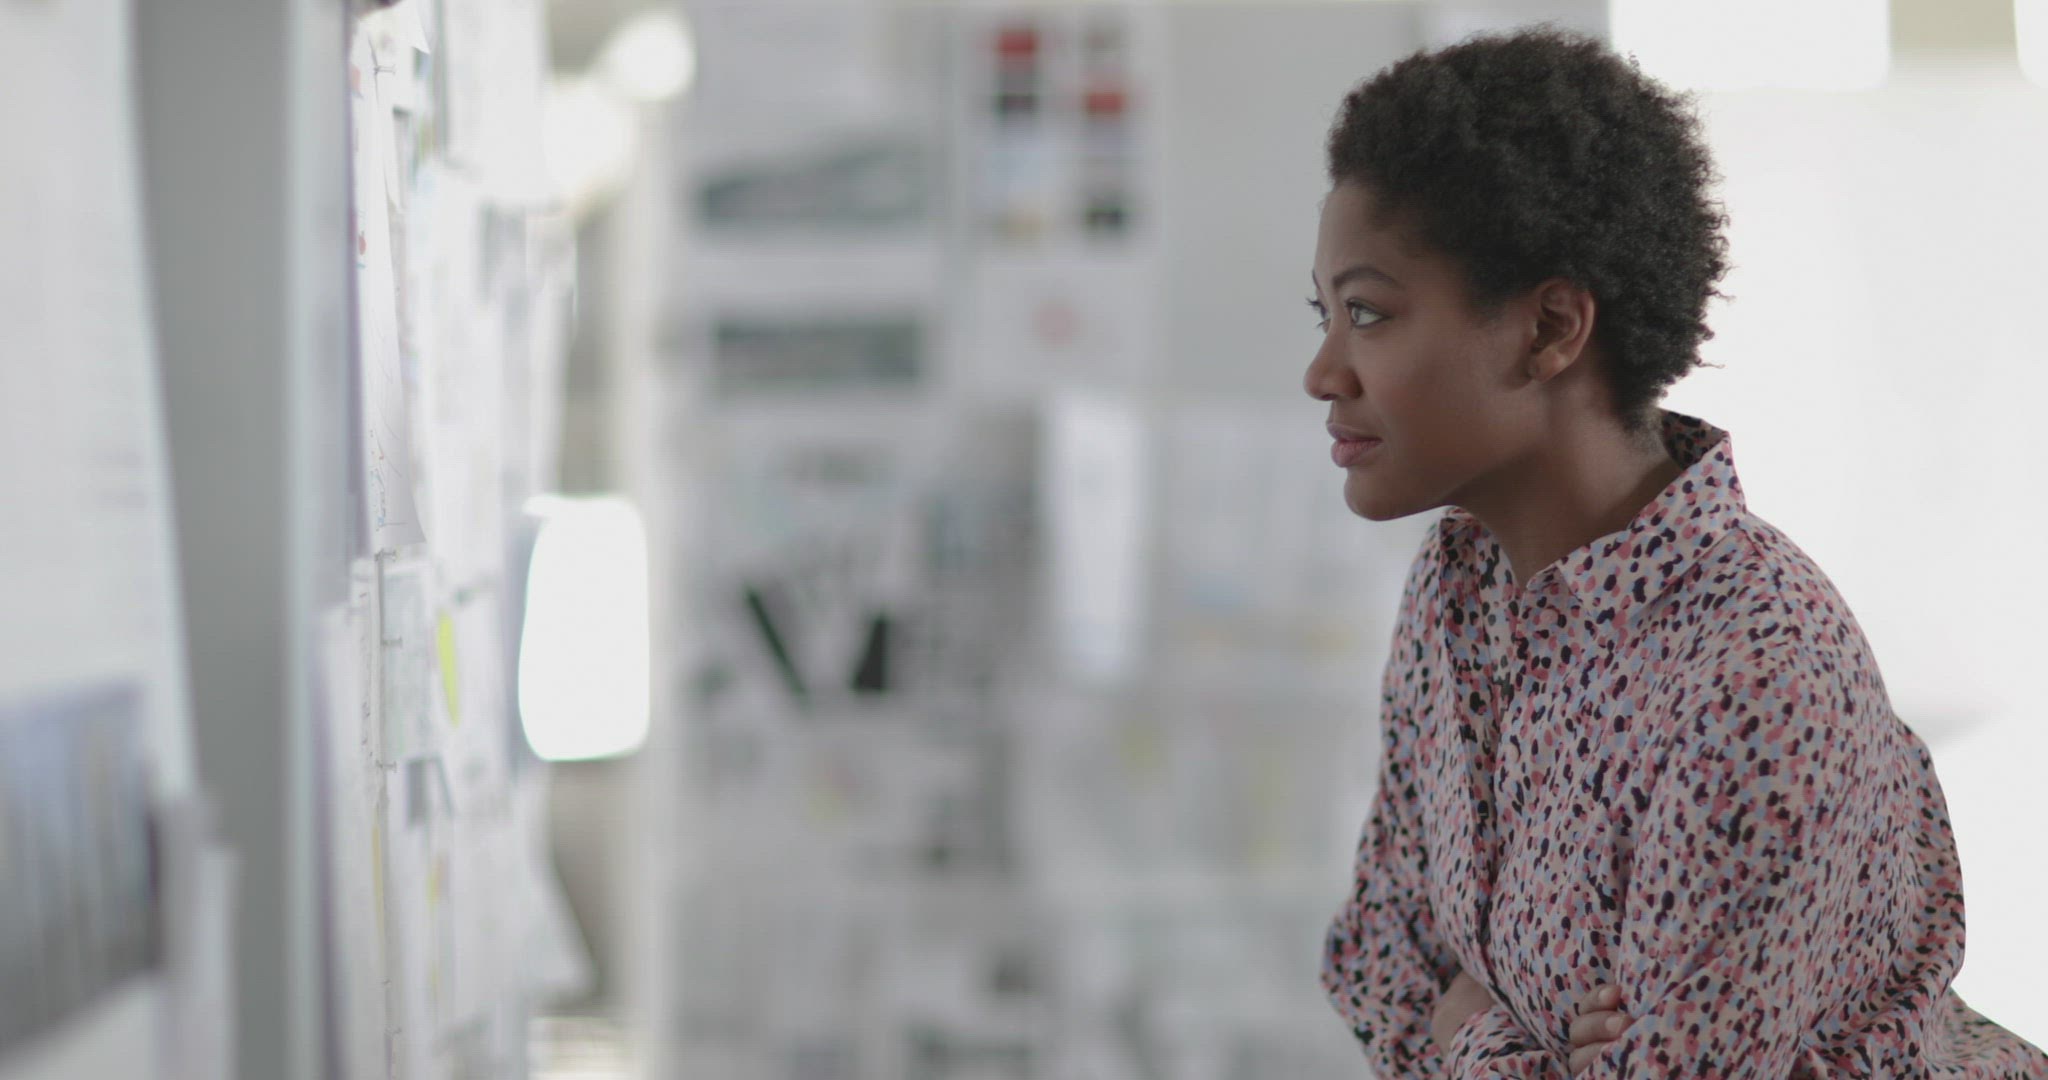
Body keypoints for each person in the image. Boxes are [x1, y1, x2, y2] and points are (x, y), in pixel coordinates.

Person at [1306, 26, 2048, 1080]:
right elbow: (1379, 962)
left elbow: (1449, 1008)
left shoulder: (1758, 676)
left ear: (1549, 329)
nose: (1323, 371)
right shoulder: (1458, 588)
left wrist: (1475, 1036)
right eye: (1325, 314)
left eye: (1367, 313)